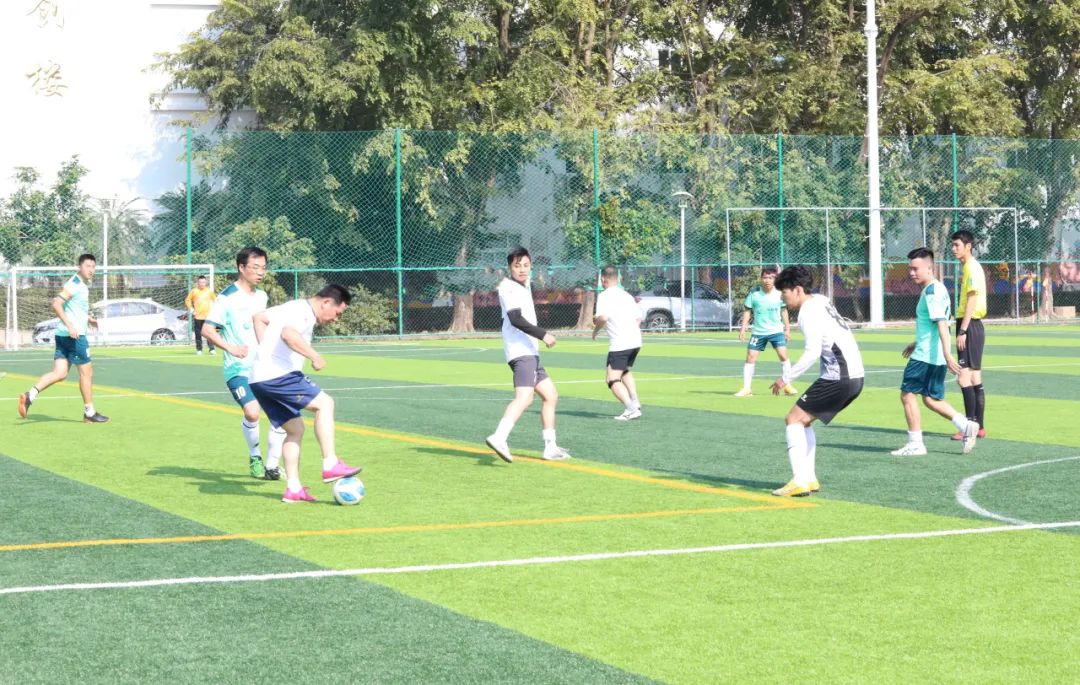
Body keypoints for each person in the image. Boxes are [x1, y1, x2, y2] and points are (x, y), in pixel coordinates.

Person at [250, 284, 363, 503]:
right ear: (326, 302)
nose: (335, 319)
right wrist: (314, 356)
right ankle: (330, 463)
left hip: (259, 378)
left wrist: (266, 353)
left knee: (295, 430)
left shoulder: (290, 307)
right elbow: (288, 334)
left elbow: (259, 318)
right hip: (278, 376)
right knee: (325, 404)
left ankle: (293, 488)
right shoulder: (303, 312)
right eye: (337, 313)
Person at [768, 265, 864, 497]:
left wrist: (785, 378)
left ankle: (799, 481)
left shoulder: (807, 312)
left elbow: (812, 352)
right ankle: (808, 478)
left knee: (792, 420)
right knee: (803, 421)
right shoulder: (821, 300)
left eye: (785, 293)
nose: (783, 299)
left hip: (839, 377)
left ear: (798, 289)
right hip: (854, 376)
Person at [200, 247, 285, 480]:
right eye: (255, 267)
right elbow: (208, 330)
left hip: (263, 367)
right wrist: (231, 348)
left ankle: (272, 465)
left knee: (281, 413)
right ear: (241, 267)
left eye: (263, 268)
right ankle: (255, 456)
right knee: (252, 412)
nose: (261, 272)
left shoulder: (262, 296)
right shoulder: (227, 298)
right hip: (237, 368)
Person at [485, 247, 571, 463]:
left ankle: (550, 447)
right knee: (525, 397)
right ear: (509, 267)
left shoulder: (523, 286)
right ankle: (499, 437)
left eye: (526, 265)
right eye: (517, 266)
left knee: (550, 395)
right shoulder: (508, 287)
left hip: (530, 353)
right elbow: (515, 319)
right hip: (521, 353)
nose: (522, 269)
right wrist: (544, 335)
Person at [891, 247, 978, 457]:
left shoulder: (931, 292)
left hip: (926, 356)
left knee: (907, 395)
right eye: (910, 269)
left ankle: (916, 444)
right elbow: (935, 324)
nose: (911, 273)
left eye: (915, 269)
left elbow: (941, 324)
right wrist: (916, 342)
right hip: (933, 355)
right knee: (931, 399)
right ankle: (966, 425)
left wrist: (948, 355)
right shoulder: (938, 288)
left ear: (929, 268)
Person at [18, 254, 109, 423]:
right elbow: (56, 303)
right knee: (87, 373)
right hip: (75, 337)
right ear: (79, 267)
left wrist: (88, 318)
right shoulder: (75, 284)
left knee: (59, 373)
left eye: (93, 266)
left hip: (62, 336)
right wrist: (70, 326)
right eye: (87, 266)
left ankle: (30, 395)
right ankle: (89, 413)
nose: (91, 269)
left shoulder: (81, 285)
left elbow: (72, 307)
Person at [735, 265, 797, 397]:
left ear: (775, 279)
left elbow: (784, 311)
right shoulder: (754, 293)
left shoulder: (780, 293)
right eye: (765, 277)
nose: (767, 280)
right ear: (761, 278)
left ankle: (787, 385)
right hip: (758, 332)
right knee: (750, 357)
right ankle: (747, 388)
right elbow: (747, 311)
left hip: (776, 331)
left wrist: (787, 329)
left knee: (783, 355)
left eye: (770, 278)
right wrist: (743, 329)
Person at [949, 230, 987, 441]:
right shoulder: (970, 266)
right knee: (974, 377)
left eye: (957, 245)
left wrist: (962, 330)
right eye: (953, 245)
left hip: (969, 325)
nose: (953, 249)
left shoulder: (971, 267)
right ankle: (979, 427)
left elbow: (972, 299)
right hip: (973, 325)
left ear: (968, 246)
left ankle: (969, 426)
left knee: (963, 377)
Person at [591, 265, 643, 420]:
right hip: (635, 341)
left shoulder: (604, 296)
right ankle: (635, 401)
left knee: (612, 379)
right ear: (618, 278)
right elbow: (638, 318)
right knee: (624, 371)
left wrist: (596, 329)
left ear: (602, 279)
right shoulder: (626, 295)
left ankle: (631, 409)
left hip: (620, 343)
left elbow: (603, 317)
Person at [184, 275, 217, 355]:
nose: (202, 284)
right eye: (200, 282)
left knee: (209, 333)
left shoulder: (209, 292)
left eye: (203, 282)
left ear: (206, 282)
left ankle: (211, 349)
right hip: (198, 317)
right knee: (198, 334)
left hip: (208, 317)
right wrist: (192, 309)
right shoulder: (194, 291)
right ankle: (199, 349)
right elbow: (187, 300)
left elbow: (216, 301)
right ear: (198, 283)